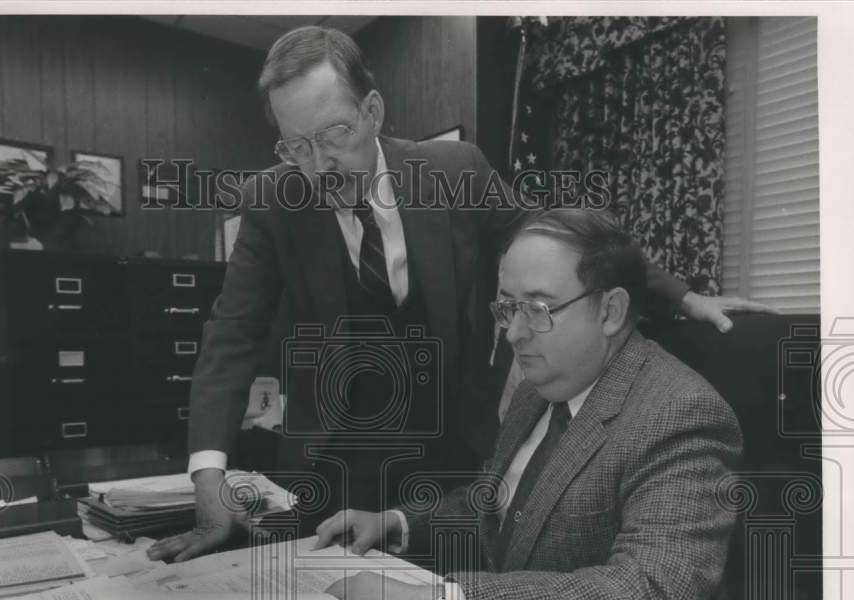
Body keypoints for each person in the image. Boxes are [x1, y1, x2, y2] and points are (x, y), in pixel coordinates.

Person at [148, 26, 766, 565]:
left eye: (332, 134)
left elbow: (560, 240)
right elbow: (230, 338)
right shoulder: (272, 201)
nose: (318, 165)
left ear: (373, 111)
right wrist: (210, 483)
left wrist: (682, 298)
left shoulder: (453, 172)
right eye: (296, 146)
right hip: (332, 459)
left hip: (448, 454)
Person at [318, 207, 743, 600]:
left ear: (611, 311)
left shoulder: (679, 413)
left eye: (538, 309)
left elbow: (652, 598)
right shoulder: (536, 390)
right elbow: (500, 505)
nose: (514, 334)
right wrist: (396, 522)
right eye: (508, 308)